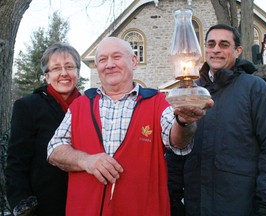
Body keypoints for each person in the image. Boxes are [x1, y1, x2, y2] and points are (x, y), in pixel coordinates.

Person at [46, 36, 213, 216]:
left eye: (116, 57)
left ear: (133, 61)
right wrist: (86, 161)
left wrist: (184, 121)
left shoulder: (157, 103)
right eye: (102, 59)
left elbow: (178, 142)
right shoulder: (81, 104)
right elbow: (54, 149)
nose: (109, 64)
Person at [181, 24, 266, 216]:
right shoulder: (191, 92)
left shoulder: (255, 89)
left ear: (237, 51)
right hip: (195, 204)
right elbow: (177, 148)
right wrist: (173, 198)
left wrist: (265, 204)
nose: (216, 50)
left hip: (239, 204)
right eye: (211, 44)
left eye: (224, 44)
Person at [5, 42, 81, 216]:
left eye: (69, 66)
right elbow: (17, 161)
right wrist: (23, 203)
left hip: (83, 202)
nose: (63, 73)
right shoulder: (28, 107)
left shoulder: (90, 107)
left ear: (77, 72)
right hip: (44, 205)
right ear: (47, 76)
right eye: (56, 68)